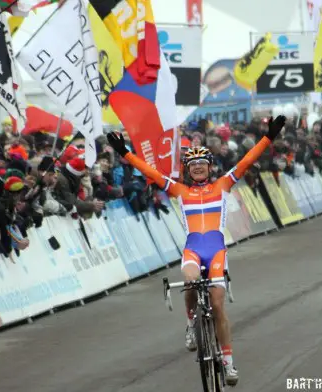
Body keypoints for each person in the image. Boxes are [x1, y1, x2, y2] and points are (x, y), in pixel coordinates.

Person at [107, 115, 286, 386]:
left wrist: (268, 138)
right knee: (190, 282)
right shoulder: (180, 191)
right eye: (194, 165)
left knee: (217, 305)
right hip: (193, 250)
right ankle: (191, 324)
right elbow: (151, 173)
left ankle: (227, 362)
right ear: (188, 170)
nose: (199, 168)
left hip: (216, 252)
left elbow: (247, 161)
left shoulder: (222, 185)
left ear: (209, 167)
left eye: (203, 164)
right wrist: (124, 152)